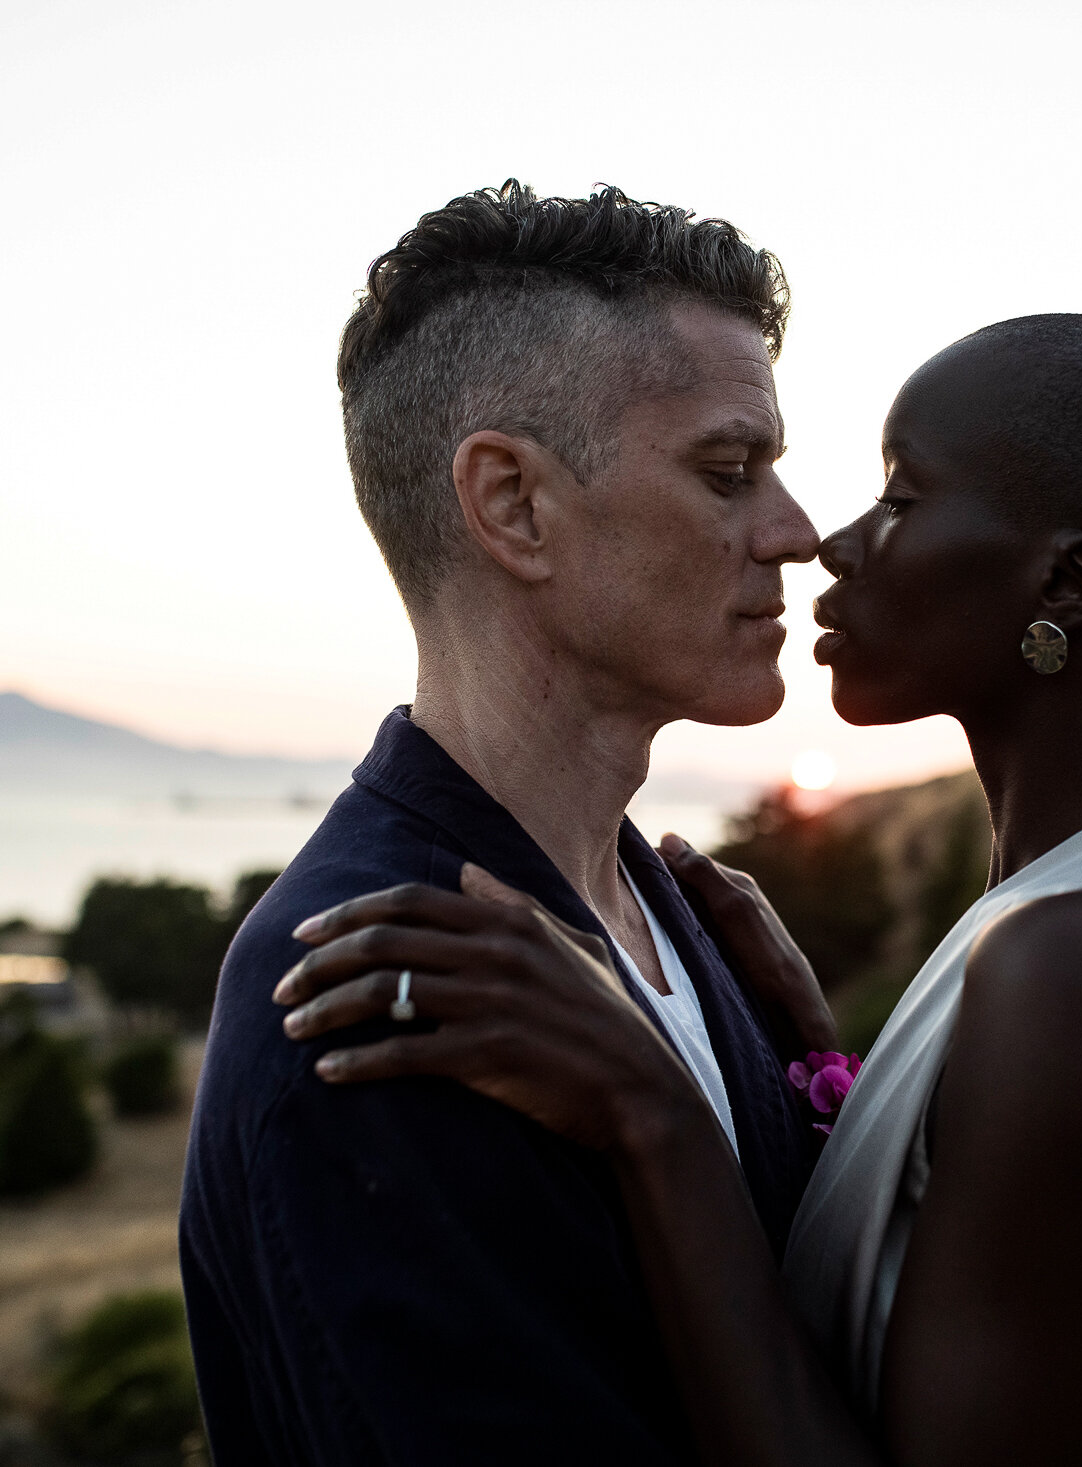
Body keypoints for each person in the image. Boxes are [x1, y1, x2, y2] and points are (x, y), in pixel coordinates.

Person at [276, 313, 1082, 1467]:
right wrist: (828, 1074)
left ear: (1068, 578)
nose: (829, 543)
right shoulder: (1080, 909)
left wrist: (650, 1112)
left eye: (901, 501)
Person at [178, 181, 833, 1466]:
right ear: (515, 505)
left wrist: (820, 1078)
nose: (796, 533)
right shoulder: (379, 991)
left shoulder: (681, 917)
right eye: (726, 471)